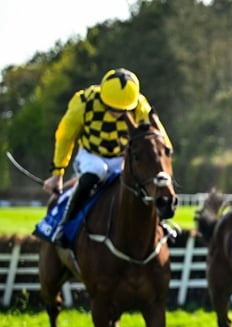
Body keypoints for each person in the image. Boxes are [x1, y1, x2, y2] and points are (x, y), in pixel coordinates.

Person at [42, 68, 172, 246]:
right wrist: (58, 174)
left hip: (121, 158)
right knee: (97, 172)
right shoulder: (83, 103)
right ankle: (65, 224)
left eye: (123, 110)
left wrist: (165, 156)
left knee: (141, 181)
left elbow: (158, 137)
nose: (118, 114)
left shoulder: (139, 104)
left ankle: (161, 223)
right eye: (112, 108)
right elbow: (65, 137)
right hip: (90, 155)